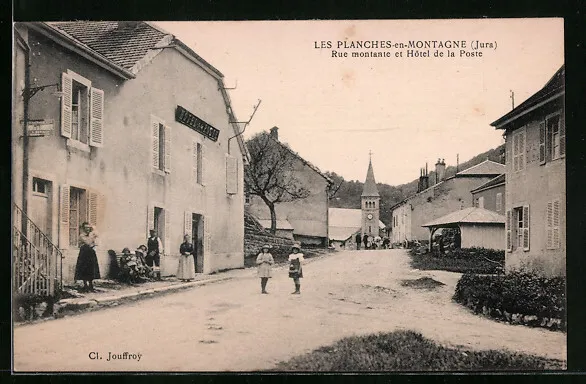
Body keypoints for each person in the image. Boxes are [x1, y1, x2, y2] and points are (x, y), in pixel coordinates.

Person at [74, 222, 100, 292]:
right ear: (83, 228)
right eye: (86, 228)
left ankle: (91, 285)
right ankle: (85, 285)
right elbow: (88, 243)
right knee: (84, 269)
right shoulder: (82, 235)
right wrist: (92, 237)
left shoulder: (91, 234)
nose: (87, 229)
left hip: (91, 253)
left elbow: (96, 242)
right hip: (84, 254)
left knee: (91, 269)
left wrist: (94, 235)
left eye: (88, 228)